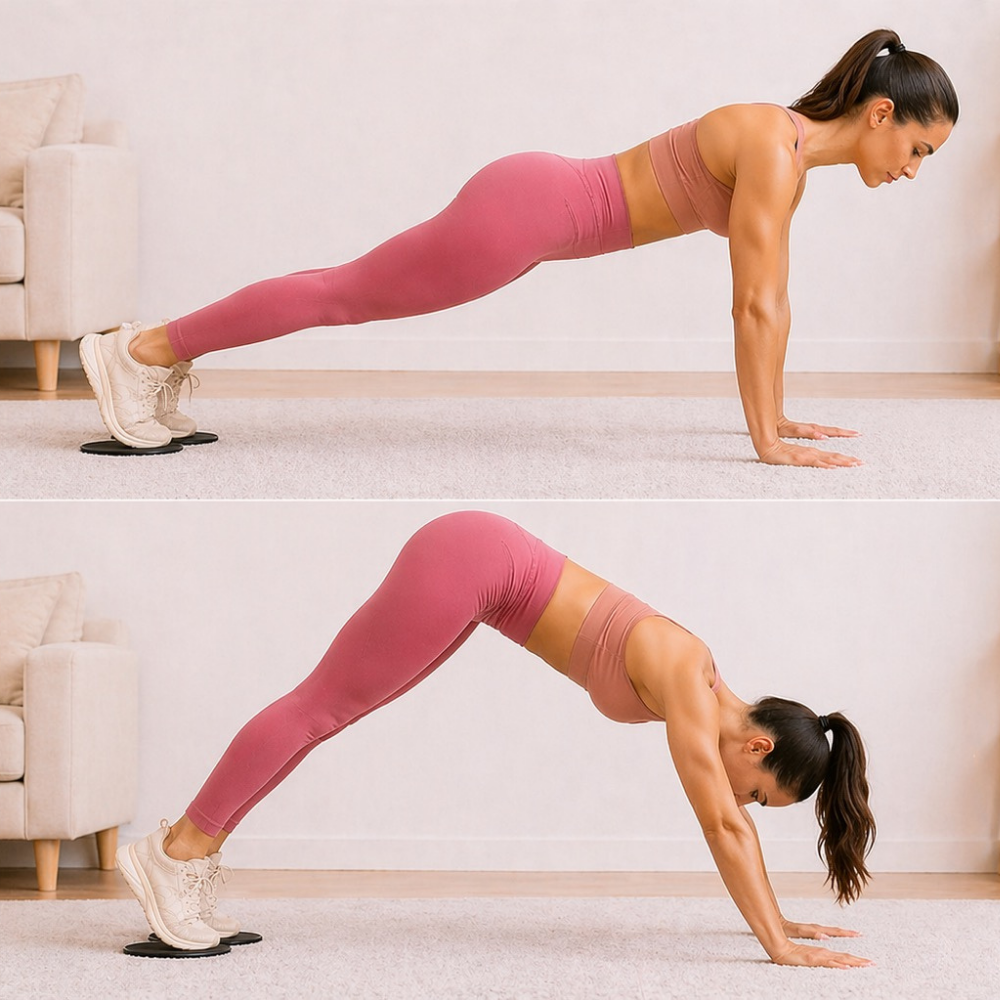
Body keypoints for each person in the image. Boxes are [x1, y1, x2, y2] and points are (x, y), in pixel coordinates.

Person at [80, 30, 957, 468]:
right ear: (881, 113)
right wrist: (765, 439)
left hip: (534, 209)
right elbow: (754, 303)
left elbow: (774, 300)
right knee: (339, 294)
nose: (913, 170)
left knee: (340, 289)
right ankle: (141, 352)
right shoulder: (773, 147)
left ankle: (156, 351)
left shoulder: (787, 160)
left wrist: (776, 413)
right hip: (527, 213)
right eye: (918, 149)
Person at [117, 511, 876, 968]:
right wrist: (777, 944)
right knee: (318, 708)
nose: (743, 802)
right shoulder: (687, 676)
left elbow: (730, 823)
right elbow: (722, 827)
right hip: (471, 562)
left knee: (328, 715)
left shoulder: (701, 691)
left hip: (481, 579)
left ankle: (192, 853)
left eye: (755, 804)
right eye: (758, 795)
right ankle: (177, 852)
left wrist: (774, 917)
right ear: (758, 749)